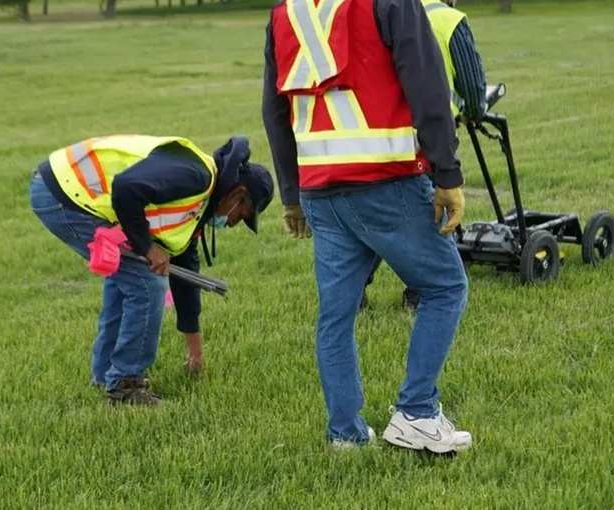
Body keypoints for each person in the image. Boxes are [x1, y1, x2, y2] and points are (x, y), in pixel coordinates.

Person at [263, 0, 470, 452]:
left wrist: (291, 194)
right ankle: (416, 414)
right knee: (445, 287)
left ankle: (346, 435)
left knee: (336, 315)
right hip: (386, 179)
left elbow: (274, 110)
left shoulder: (286, 11)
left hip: (319, 189)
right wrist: (447, 174)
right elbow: (428, 85)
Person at [29, 135, 274, 405]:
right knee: (146, 284)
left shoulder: (195, 210)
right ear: (238, 195)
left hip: (61, 186)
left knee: (126, 280)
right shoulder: (197, 176)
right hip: (65, 193)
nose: (233, 223)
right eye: (242, 215)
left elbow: (186, 282)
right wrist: (147, 247)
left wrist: (195, 354)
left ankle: (105, 374)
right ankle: (126, 386)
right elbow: (126, 187)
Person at [364, 0, 487, 312]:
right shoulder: (449, 19)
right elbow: (472, 86)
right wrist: (475, 111)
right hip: (431, 134)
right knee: (429, 214)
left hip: (382, 133)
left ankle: (356, 290)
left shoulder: (380, 10)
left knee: (376, 215)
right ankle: (421, 291)